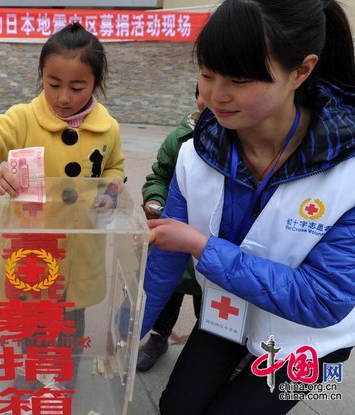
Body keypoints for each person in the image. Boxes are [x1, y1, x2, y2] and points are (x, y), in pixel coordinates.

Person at [141, 0, 355, 413]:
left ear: (302, 71)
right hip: (228, 317)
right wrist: (125, 332)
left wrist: (202, 246)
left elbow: (325, 299)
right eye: (206, 74)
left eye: (239, 79)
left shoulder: (349, 173)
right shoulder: (194, 155)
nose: (216, 96)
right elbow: (164, 261)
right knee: (176, 408)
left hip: (308, 344)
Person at [0, 22, 125, 389]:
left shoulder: (108, 129)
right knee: (29, 327)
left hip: (79, 249)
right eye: (53, 83)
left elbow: (114, 166)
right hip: (29, 250)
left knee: (70, 328)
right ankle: (30, 387)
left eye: (77, 87)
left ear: (96, 83)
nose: (63, 97)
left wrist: (110, 192)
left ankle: (63, 389)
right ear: (41, 77)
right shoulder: (23, 118)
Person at [136, 86, 204, 372]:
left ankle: (205, 351)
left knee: (211, 307)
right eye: (205, 88)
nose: (213, 97)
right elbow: (160, 175)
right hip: (173, 238)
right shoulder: (179, 139)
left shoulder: (241, 139)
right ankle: (159, 339)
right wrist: (155, 198)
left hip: (208, 246)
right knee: (166, 297)